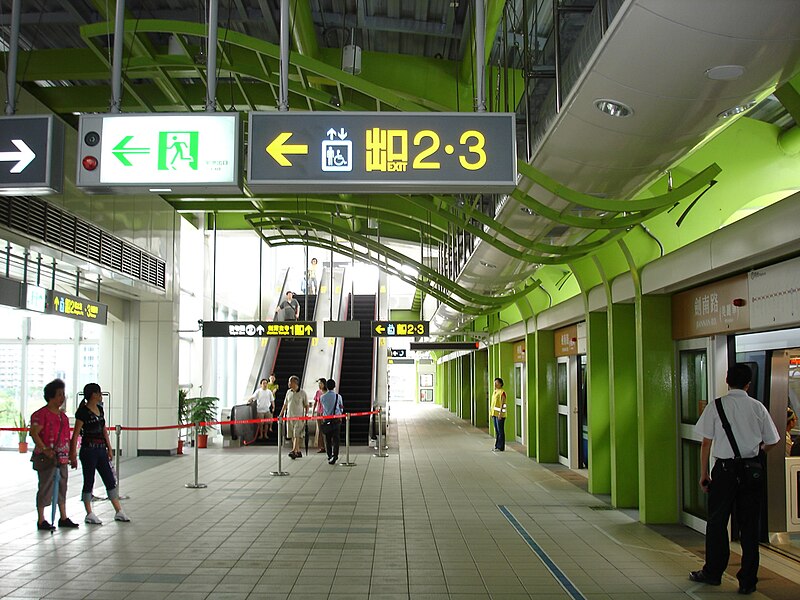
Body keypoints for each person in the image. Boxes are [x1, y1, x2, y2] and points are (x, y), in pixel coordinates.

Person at [690, 364, 780, 595]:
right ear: (748, 384)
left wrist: (704, 473)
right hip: (751, 472)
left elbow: (706, 443)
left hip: (724, 471)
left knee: (717, 522)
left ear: (727, 381)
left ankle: (713, 572)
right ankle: (748, 581)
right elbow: (773, 440)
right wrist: (756, 453)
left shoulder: (716, 406)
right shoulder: (757, 407)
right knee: (749, 526)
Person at [69, 383, 130, 525]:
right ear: (93, 394)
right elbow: (76, 434)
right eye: (99, 392)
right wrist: (73, 454)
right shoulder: (82, 412)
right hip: (88, 450)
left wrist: (109, 448)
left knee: (109, 479)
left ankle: (118, 511)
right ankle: (89, 513)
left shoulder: (100, 410)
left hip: (101, 449)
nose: (101, 395)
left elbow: (104, 431)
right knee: (89, 480)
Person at [30, 379, 79, 531]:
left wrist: (72, 455)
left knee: (62, 486)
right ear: (50, 396)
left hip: (62, 458)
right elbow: (34, 433)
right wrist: (45, 449)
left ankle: (63, 517)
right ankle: (41, 519)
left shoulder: (63, 417)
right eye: (59, 394)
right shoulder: (40, 415)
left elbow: (67, 437)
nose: (62, 398)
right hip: (47, 458)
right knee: (45, 486)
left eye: (63, 394)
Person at [279, 375, 308, 459]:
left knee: (296, 434)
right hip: (289, 417)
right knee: (292, 434)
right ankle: (298, 451)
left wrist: (306, 415)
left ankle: (293, 451)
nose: (288, 384)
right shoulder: (288, 392)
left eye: (290, 382)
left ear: (295, 383)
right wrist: (281, 415)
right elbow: (285, 404)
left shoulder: (302, 393)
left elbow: (306, 405)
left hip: (299, 418)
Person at [320, 379, 344, 465]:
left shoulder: (322, 397)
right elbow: (341, 407)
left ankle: (329, 455)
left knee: (328, 439)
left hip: (327, 420)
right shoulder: (338, 396)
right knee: (336, 439)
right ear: (334, 386)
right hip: (336, 420)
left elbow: (323, 408)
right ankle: (335, 455)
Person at [490, 377, 507, 452]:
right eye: (494, 383)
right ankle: (497, 446)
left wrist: (500, 413)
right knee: (497, 431)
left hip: (500, 415)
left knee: (500, 431)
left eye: (496, 383)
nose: (495, 384)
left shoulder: (502, 392)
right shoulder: (495, 391)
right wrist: (491, 413)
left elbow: (502, 403)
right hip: (494, 414)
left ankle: (501, 446)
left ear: (500, 384)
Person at [312, 378, 328, 453]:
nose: (319, 385)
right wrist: (313, 412)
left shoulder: (327, 393)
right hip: (319, 413)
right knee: (320, 430)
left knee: (326, 430)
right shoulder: (318, 392)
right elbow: (315, 402)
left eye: (321, 383)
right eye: (319, 384)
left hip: (325, 413)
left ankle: (327, 445)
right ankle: (321, 446)